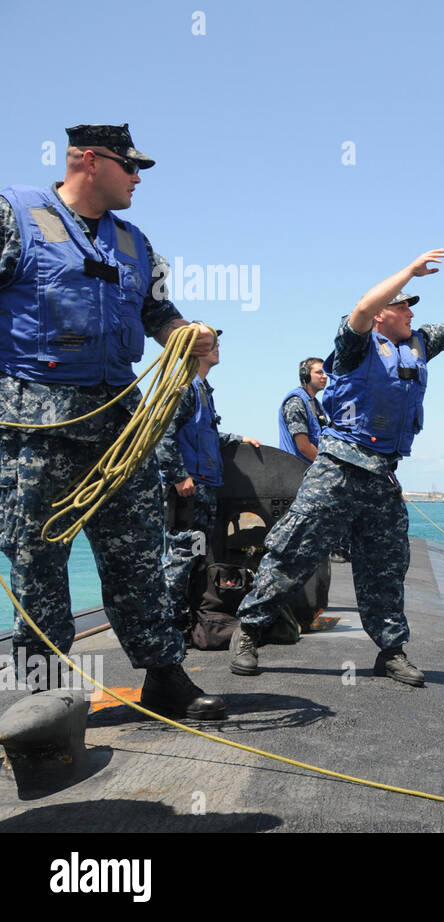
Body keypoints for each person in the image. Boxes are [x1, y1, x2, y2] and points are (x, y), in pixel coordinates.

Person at [229, 249, 444, 685]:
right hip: (338, 468)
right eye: (402, 305)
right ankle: (248, 629)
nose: (409, 313)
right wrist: (408, 272)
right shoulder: (354, 345)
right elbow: (362, 307)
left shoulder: (417, 344)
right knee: (296, 547)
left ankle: (391, 650)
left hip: (382, 474)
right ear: (382, 314)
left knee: (386, 563)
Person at [0, 124, 225, 719]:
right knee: (37, 558)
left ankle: (163, 675)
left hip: (117, 429)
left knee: (136, 555)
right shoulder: (13, 217)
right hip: (35, 427)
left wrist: (188, 336)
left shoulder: (136, 244)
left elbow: (159, 316)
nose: (138, 178)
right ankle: (40, 694)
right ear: (89, 160)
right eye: (130, 166)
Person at [155, 331, 259, 632]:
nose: (217, 347)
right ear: (194, 349)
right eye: (211, 343)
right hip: (189, 489)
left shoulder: (202, 389)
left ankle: (187, 624)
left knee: (198, 557)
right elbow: (163, 435)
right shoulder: (183, 387)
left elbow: (205, 434)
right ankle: (167, 627)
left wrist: (238, 439)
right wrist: (178, 477)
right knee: (181, 557)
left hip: (205, 487)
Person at [278, 357, 329, 463]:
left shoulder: (316, 405)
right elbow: (303, 447)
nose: (325, 376)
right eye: (319, 372)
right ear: (305, 375)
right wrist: (326, 465)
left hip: (310, 472)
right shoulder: (296, 402)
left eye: (325, 372)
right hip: (295, 472)